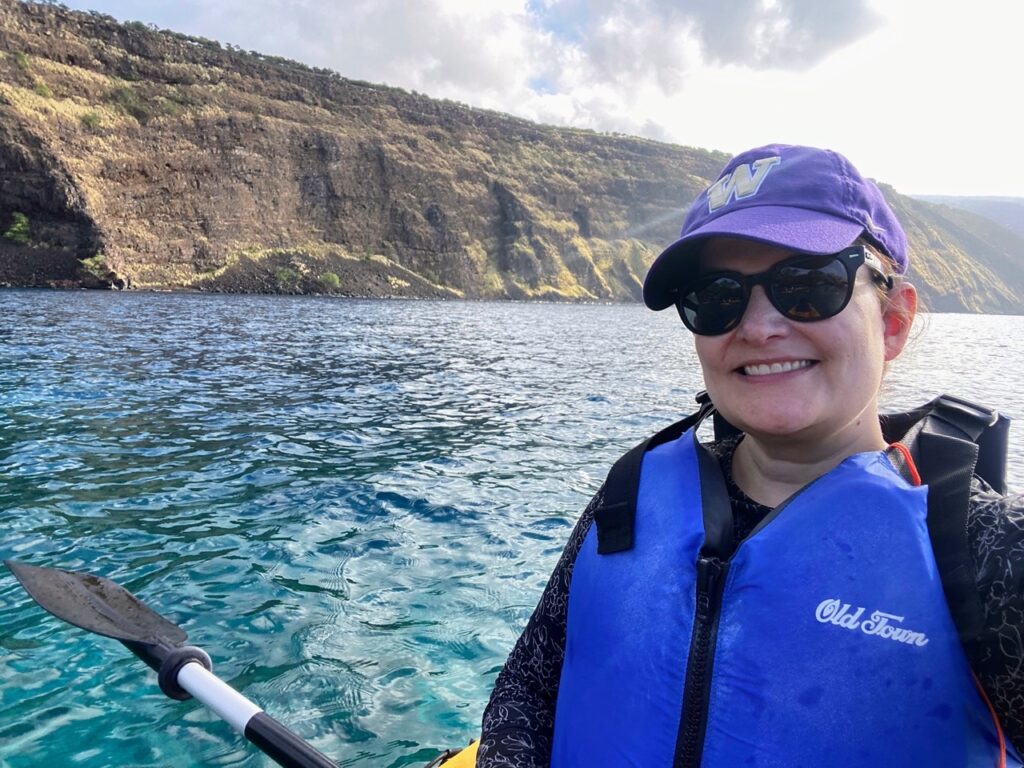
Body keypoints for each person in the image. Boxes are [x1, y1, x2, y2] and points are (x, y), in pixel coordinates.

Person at [476, 144, 1024, 767]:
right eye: (717, 296)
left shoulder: (989, 553)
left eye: (809, 284)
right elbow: (529, 687)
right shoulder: (630, 496)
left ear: (893, 320)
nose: (758, 327)